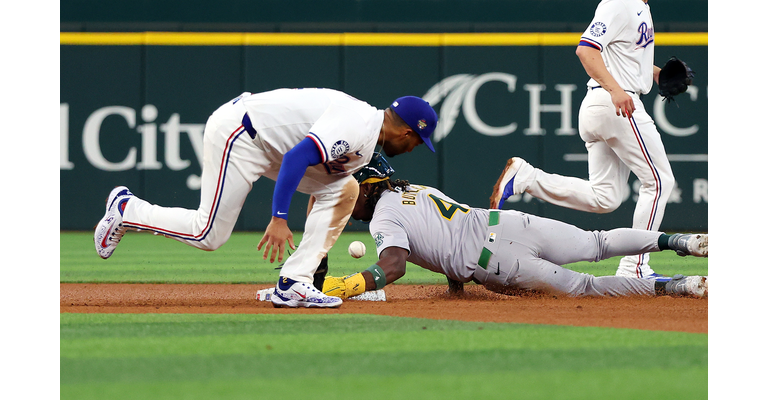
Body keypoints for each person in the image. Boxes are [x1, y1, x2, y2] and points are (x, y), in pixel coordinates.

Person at [93, 88, 438, 308]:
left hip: (271, 145)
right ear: (408, 132)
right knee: (208, 235)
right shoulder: (359, 126)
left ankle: (294, 282)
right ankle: (126, 209)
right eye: (417, 142)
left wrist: (316, 263)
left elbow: (323, 191)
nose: (413, 148)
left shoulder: (366, 143)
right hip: (241, 134)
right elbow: (295, 159)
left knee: (343, 188)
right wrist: (279, 217)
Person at [322, 154, 707, 300]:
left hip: (497, 261)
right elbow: (442, 232)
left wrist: (347, 285)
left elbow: (393, 267)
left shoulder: (384, 215)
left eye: (350, 188)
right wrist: (454, 282)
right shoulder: (416, 190)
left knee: (587, 287)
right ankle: (682, 240)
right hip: (510, 224)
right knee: (598, 242)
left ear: (368, 186)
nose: (345, 196)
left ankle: (679, 285)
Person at [490, 0, 684, 279]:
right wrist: (616, 89)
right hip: (615, 103)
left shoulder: (639, 5)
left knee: (605, 197)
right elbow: (586, 49)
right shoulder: (619, 3)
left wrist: (656, 74)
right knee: (659, 181)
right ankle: (635, 268)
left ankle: (527, 178)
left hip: (603, 103)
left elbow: (623, 54)